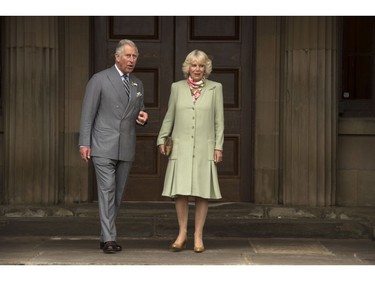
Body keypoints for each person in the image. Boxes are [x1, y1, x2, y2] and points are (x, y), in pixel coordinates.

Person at [78, 39, 148, 254]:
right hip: (102, 145)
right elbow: (87, 114)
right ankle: (110, 239)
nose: (132, 60)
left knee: (117, 195)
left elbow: (138, 110)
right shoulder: (99, 79)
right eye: (128, 56)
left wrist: (143, 117)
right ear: (117, 57)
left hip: (126, 145)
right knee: (107, 191)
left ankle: (104, 235)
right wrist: (84, 142)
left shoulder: (137, 83)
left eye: (134, 56)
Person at [157, 50, 224, 253]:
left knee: (202, 193)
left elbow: (219, 120)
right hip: (182, 146)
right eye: (194, 65)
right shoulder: (176, 88)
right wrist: (162, 137)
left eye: (201, 66)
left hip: (205, 146)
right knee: (181, 192)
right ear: (188, 67)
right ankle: (182, 233)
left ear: (206, 68)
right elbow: (170, 115)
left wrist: (218, 146)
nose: (197, 69)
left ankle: (198, 236)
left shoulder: (216, 88)